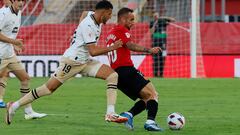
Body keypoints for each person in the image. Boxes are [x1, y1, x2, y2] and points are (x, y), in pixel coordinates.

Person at [5, 0, 128, 125]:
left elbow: (85, 13)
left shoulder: (93, 15)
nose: (110, 17)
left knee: (113, 75)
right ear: (104, 12)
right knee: (48, 89)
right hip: (72, 62)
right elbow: (93, 51)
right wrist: (112, 47)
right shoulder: (89, 25)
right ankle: (14, 106)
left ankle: (110, 113)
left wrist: (78, 30)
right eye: (109, 14)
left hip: (84, 61)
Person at [105, 7, 163, 131]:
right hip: (127, 71)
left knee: (146, 97)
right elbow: (130, 45)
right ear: (122, 19)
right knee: (153, 94)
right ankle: (150, 122)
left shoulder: (110, 33)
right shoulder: (122, 29)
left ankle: (129, 115)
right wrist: (149, 50)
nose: (133, 22)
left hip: (117, 75)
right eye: (131, 20)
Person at [0, 0, 47, 119]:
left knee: (25, 78)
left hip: (9, 54)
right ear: (12, 1)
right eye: (18, 0)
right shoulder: (3, 14)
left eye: (23, 0)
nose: (21, 3)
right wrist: (13, 42)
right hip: (0, 54)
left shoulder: (19, 12)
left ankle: (28, 112)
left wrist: (14, 44)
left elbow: (10, 33)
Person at [150, 10, 175, 77]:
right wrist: (155, 23)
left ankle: (161, 74)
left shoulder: (162, 21)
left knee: (162, 59)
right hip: (155, 43)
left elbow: (173, 20)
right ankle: (155, 75)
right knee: (155, 59)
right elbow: (151, 32)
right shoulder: (152, 22)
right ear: (153, 17)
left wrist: (163, 17)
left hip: (163, 43)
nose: (156, 17)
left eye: (157, 15)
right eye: (155, 16)